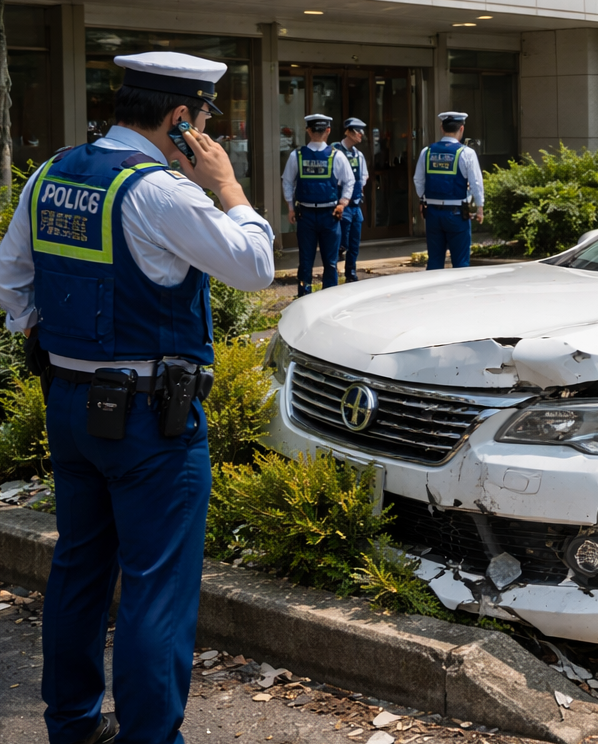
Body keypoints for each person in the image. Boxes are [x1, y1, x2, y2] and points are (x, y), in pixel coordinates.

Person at [0, 51, 274, 744]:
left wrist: (54, 338)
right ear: (180, 119)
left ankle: (72, 726)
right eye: (205, 118)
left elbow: (12, 280)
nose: (209, 131)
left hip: (70, 406)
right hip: (154, 422)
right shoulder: (162, 192)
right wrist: (229, 188)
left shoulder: (51, 173)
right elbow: (255, 266)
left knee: (78, 572)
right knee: (156, 586)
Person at [282, 113, 354, 295]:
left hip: (307, 215)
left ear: (308, 130)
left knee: (305, 260)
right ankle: (329, 298)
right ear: (328, 131)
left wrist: (291, 207)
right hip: (329, 215)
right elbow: (350, 181)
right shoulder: (336, 156)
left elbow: (287, 182)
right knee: (330, 261)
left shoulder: (296, 155)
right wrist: (343, 203)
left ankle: (304, 296)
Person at [413, 111, 484, 269]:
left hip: (432, 213)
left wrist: (423, 198)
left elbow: (418, 179)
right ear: (462, 129)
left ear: (441, 128)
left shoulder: (427, 152)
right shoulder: (466, 153)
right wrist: (479, 207)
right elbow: (476, 183)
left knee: (434, 261)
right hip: (457, 214)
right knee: (460, 263)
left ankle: (433, 293)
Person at [332, 117, 369, 282]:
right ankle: (333, 270)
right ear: (349, 132)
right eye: (358, 131)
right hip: (341, 204)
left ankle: (351, 274)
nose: (361, 135)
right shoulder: (335, 151)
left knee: (354, 242)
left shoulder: (358, 155)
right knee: (342, 241)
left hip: (355, 204)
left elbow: (364, 175)